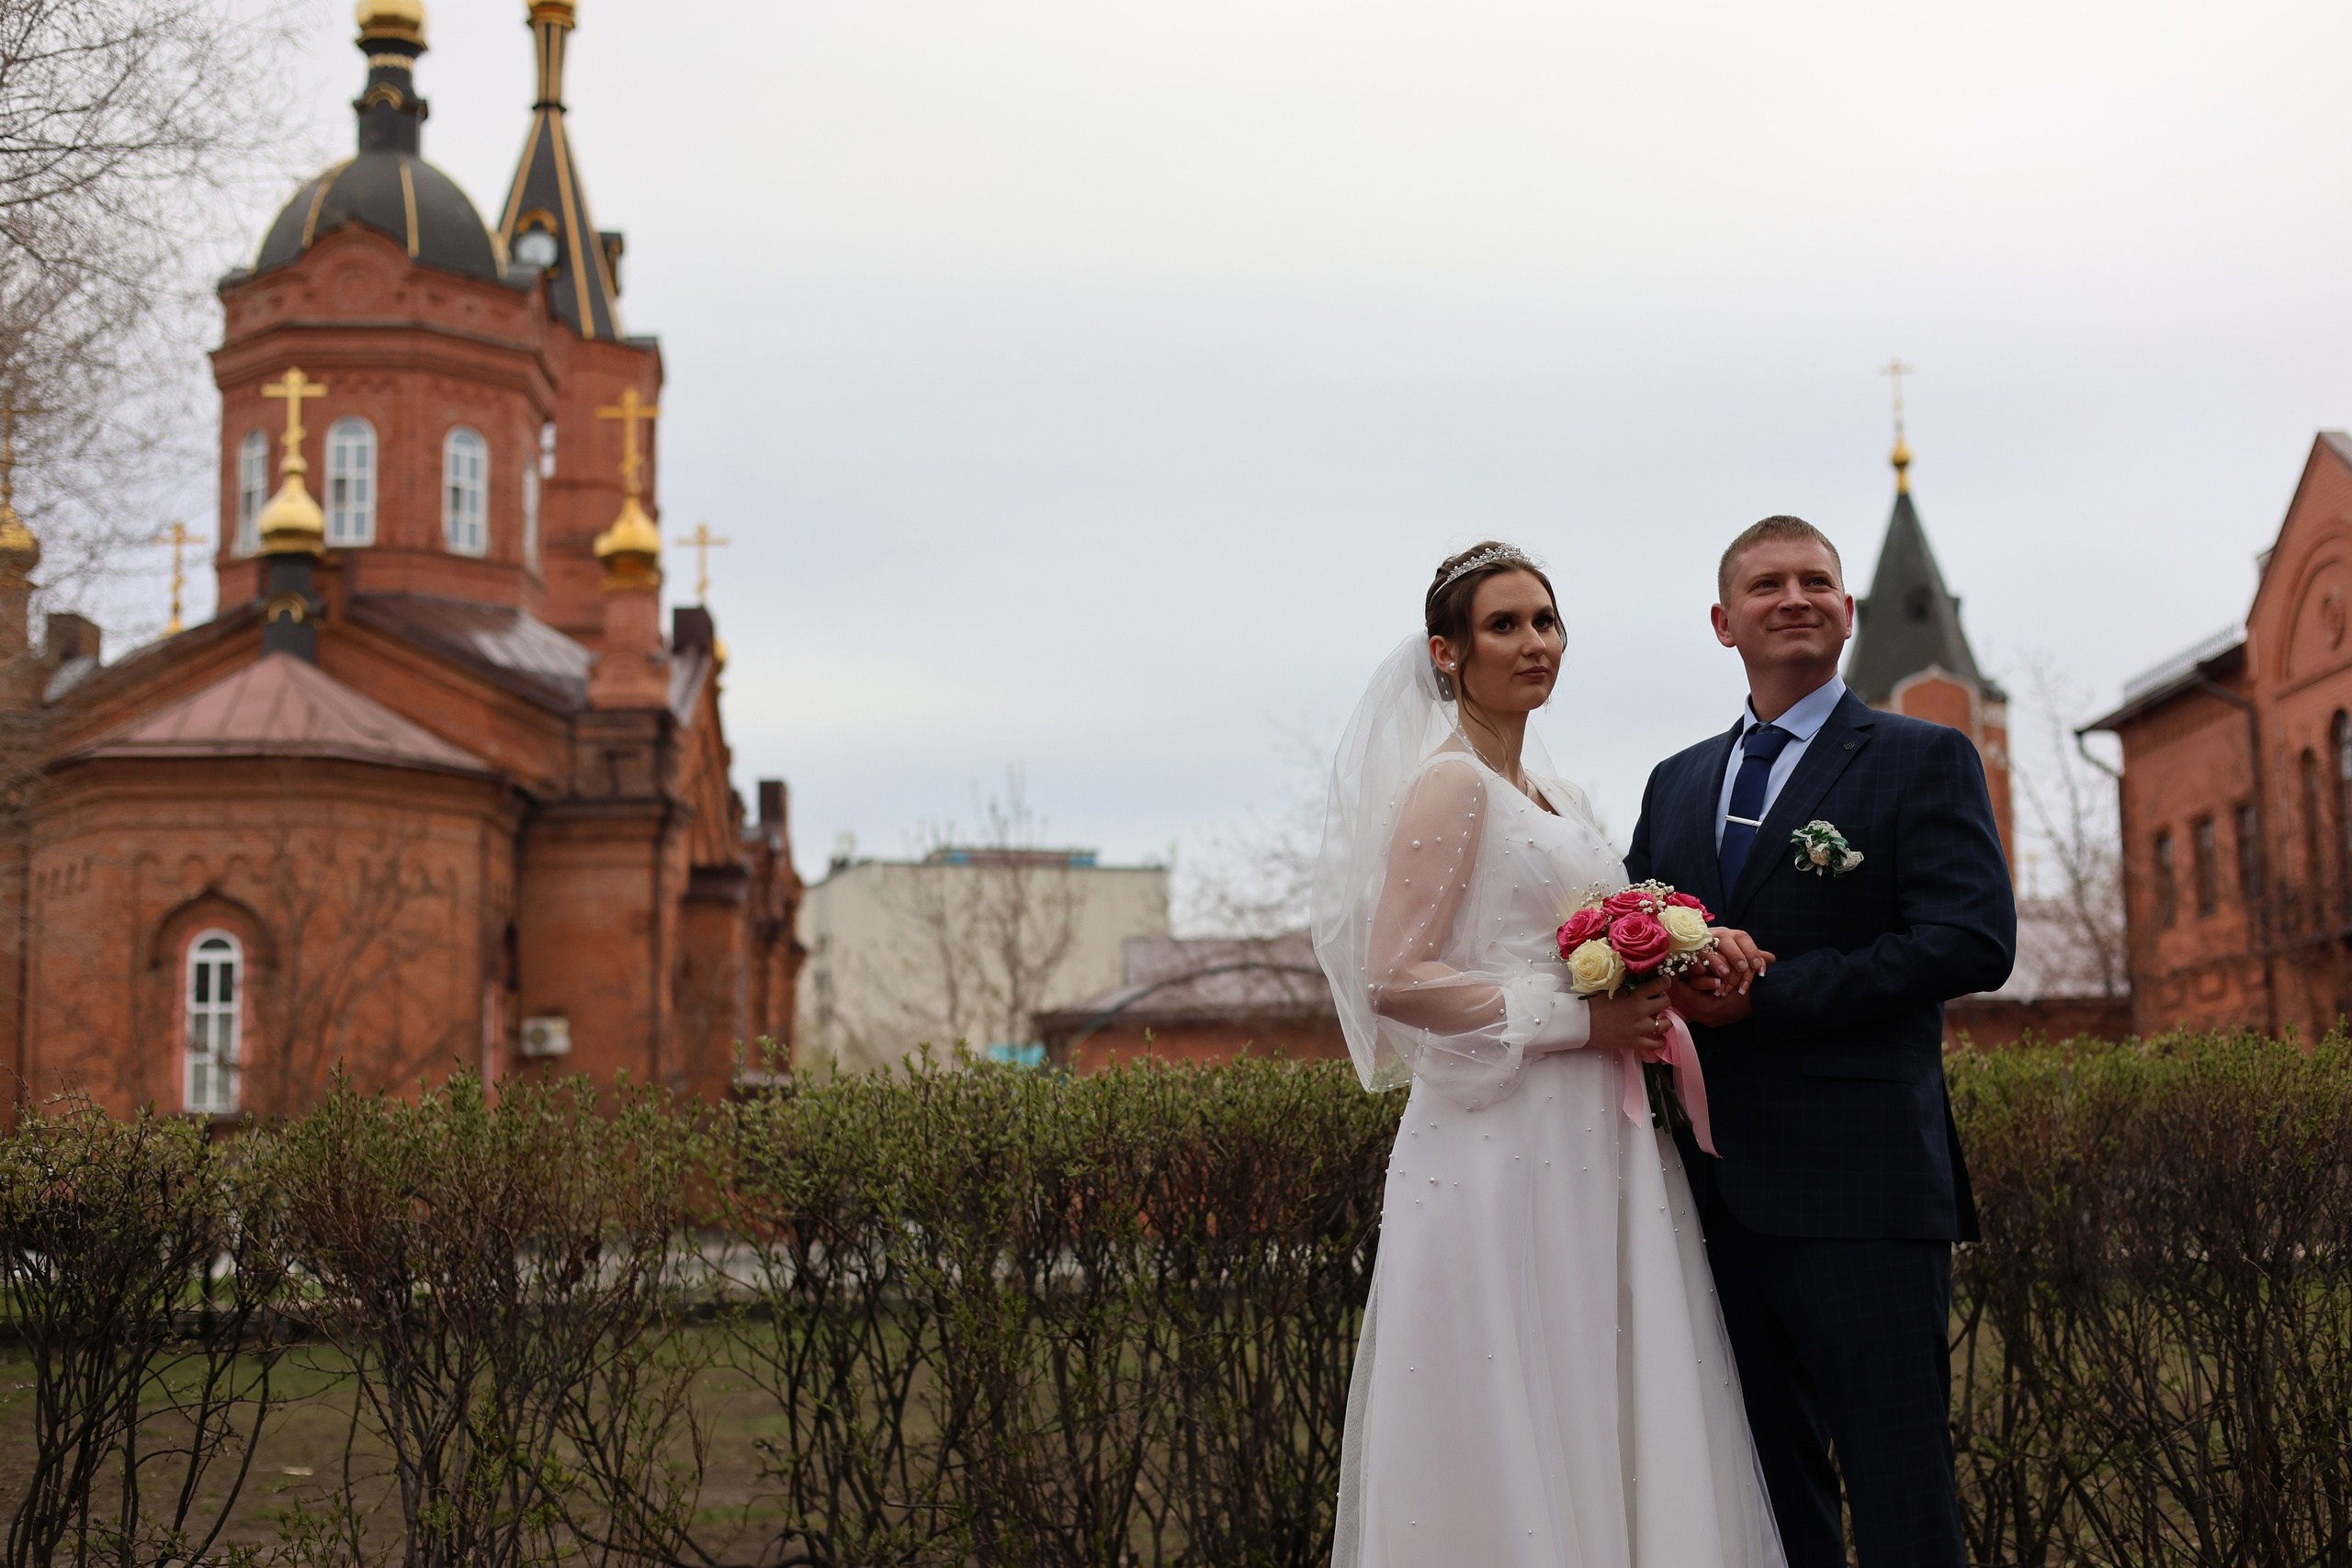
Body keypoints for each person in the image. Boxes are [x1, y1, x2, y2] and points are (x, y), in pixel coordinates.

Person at [1313, 541, 1786, 1568]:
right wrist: (1580, 1020)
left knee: (1600, 1376)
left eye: (1545, 621)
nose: (1534, 643)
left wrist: (1677, 943)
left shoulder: (1553, 792)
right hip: (1496, 1140)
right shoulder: (1449, 787)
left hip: (1595, 1137)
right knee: (1513, 1386)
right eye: (1502, 625)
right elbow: (1394, 976)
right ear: (1446, 653)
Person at [1623, 516, 2016, 1567]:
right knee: (1758, 1484)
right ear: (1723, 622)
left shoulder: (1921, 757)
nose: (1792, 597)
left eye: (1815, 582)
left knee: (1898, 1487)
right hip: (1706, 1191)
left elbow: (1971, 941)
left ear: (1846, 612)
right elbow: (1634, 931)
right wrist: (1669, 967)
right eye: (1765, 585)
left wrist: (1771, 996)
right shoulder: (1675, 781)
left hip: (1864, 1189)